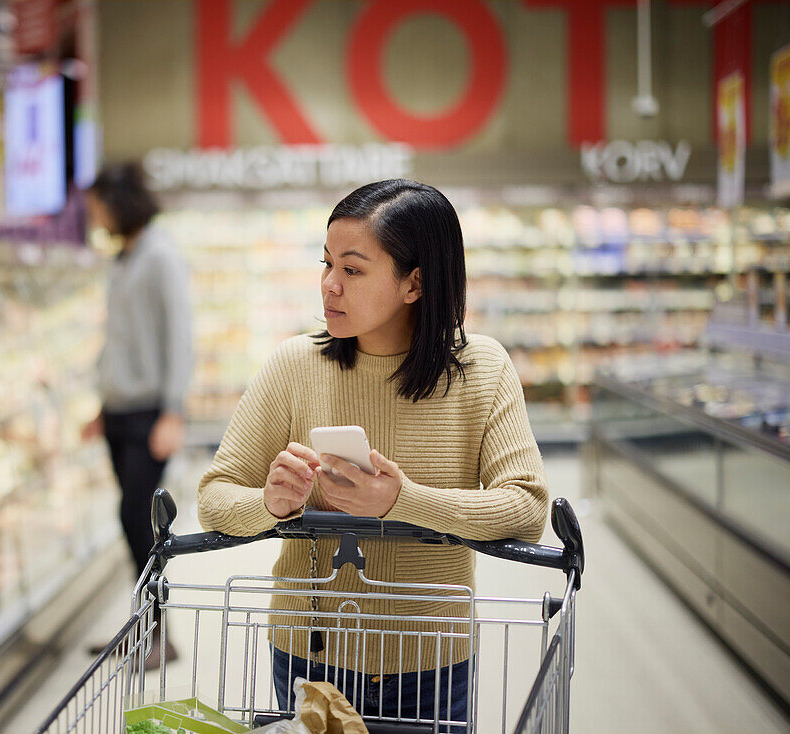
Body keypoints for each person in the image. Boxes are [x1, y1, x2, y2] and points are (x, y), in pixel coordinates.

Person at [197, 179, 548, 725]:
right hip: (308, 661)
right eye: (327, 263)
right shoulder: (294, 366)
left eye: (353, 269)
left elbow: (527, 510)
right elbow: (214, 498)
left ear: (415, 283)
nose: (329, 286)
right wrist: (270, 503)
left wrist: (402, 501)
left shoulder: (483, 370)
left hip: (431, 664)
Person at [81, 162, 191, 668]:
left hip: (149, 413)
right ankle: (144, 627)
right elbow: (117, 339)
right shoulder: (122, 259)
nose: (93, 214)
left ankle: (159, 634)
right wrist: (102, 405)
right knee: (129, 520)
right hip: (119, 412)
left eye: (98, 204)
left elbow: (179, 337)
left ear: (119, 201)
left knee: (138, 520)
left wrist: (173, 410)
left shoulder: (160, 256)